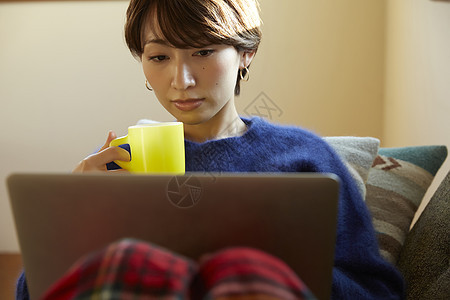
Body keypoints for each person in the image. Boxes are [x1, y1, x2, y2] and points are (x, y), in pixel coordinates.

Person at [16, 0, 405, 299]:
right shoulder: (117, 166)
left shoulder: (305, 158)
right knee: (129, 261)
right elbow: (32, 292)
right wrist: (74, 217)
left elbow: (378, 291)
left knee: (241, 267)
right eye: (159, 57)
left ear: (245, 53)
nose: (181, 80)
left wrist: (276, 261)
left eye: (202, 52)